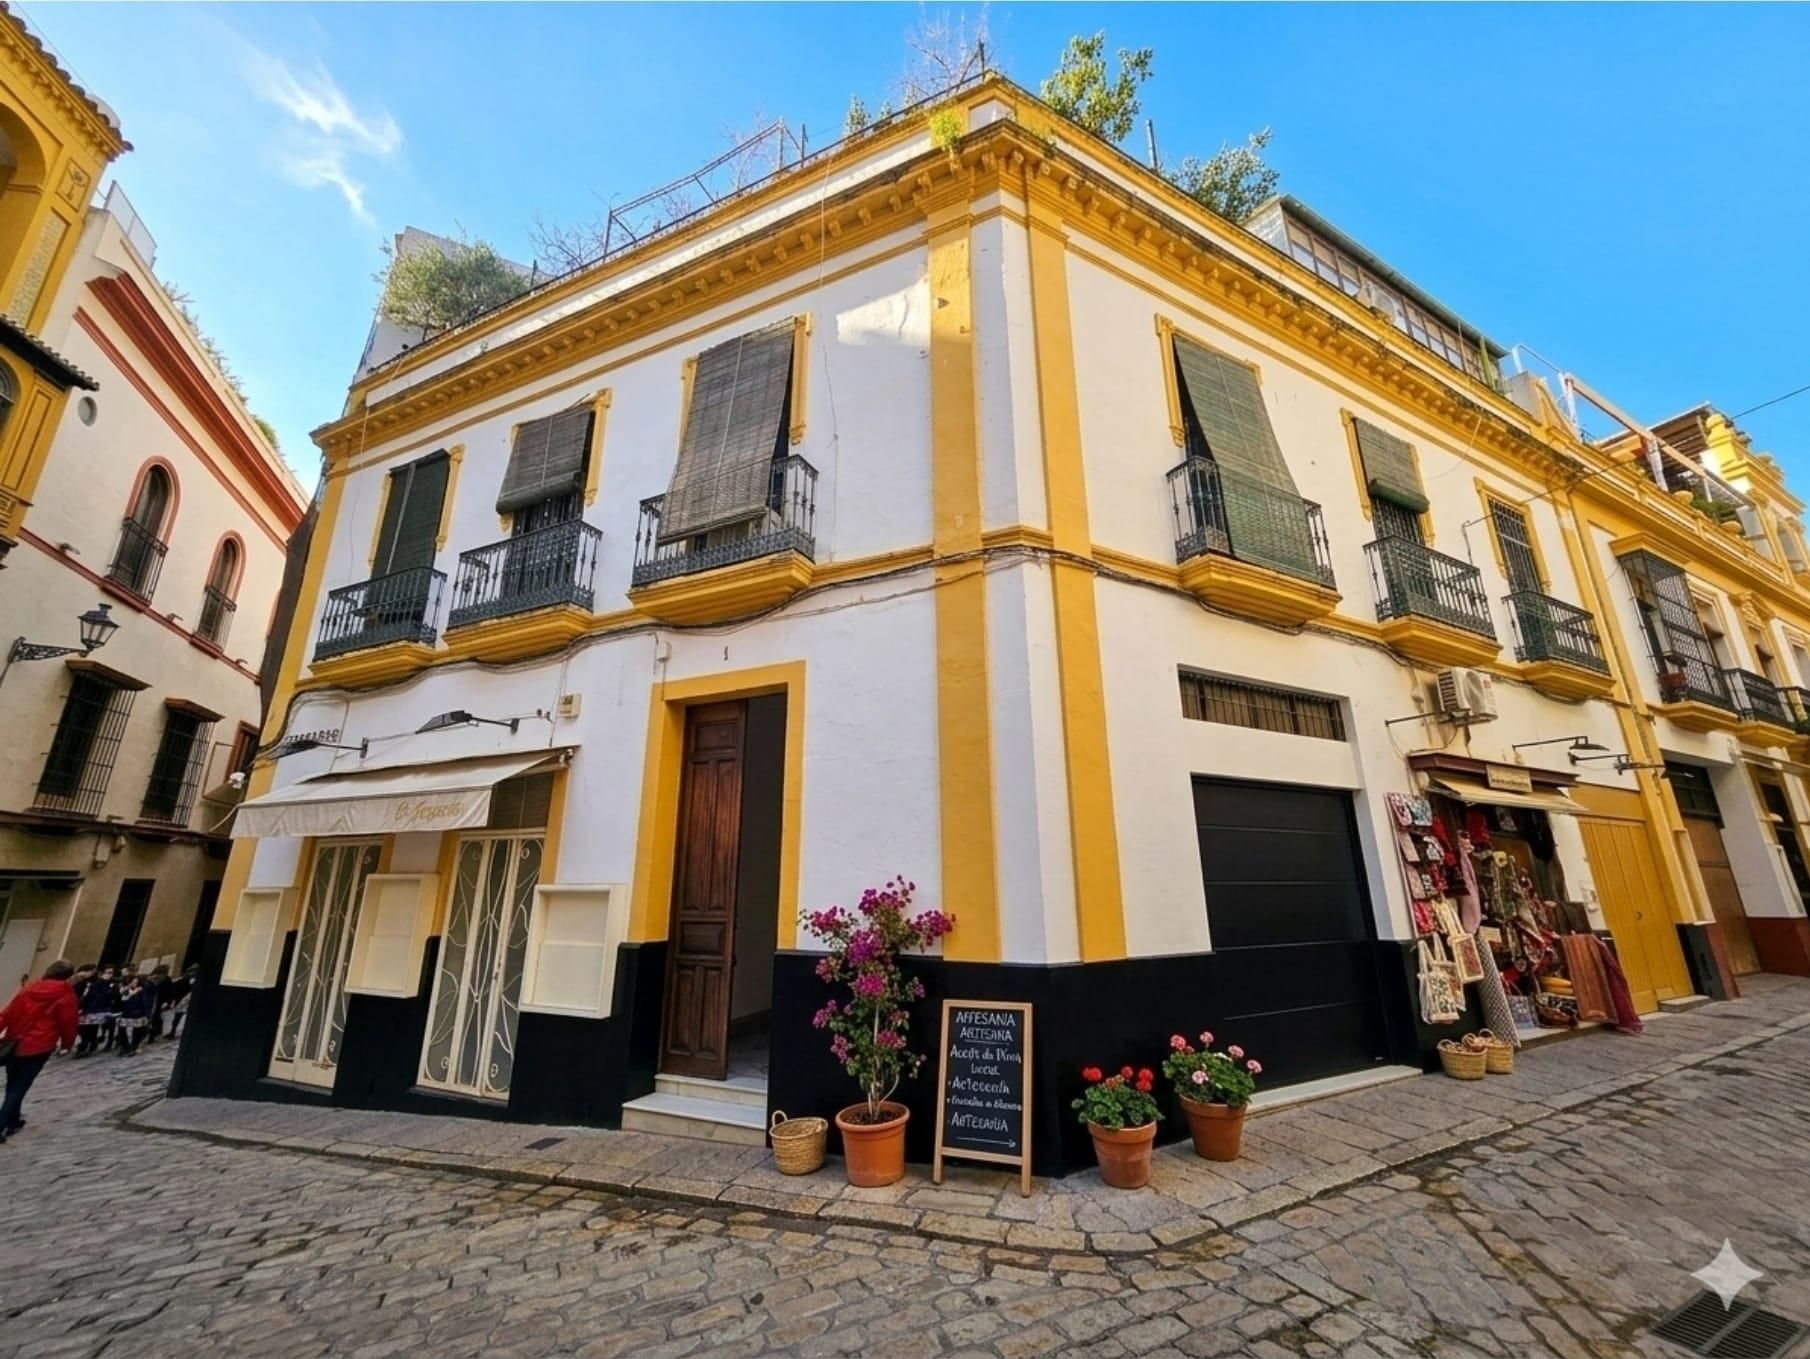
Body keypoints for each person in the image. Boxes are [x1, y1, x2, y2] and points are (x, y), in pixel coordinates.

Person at [0, 960, 79, 1142]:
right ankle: (3, 1123)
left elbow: (7, 1013)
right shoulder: (65, 994)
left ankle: (13, 1119)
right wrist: (67, 1044)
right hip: (39, 1046)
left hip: (14, 1043)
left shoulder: (29, 989)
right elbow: (68, 1022)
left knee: (13, 1084)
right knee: (18, 1088)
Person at [75, 965, 117, 1057]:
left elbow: (113, 996)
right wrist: (82, 1007)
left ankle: (89, 1046)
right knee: (86, 1029)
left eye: (112, 973)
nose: (110, 975)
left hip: (102, 1009)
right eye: (108, 973)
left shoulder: (112, 984)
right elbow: (88, 996)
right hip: (91, 1009)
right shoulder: (95, 983)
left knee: (93, 1029)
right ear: (102, 973)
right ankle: (86, 1045)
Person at [116, 973, 155, 1057]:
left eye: (136, 982)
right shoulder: (125, 990)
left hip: (137, 1013)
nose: (134, 984)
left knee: (136, 1031)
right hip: (126, 1012)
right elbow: (120, 1000)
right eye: (132, 982)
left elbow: (146, 1003)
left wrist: (147, 1014)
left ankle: (133, 1046)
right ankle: (124, 1047)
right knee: (122, 1030)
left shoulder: (142, 991)